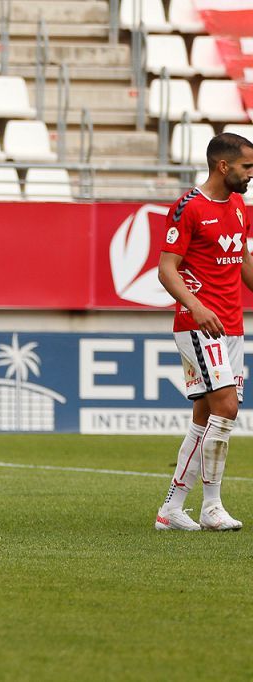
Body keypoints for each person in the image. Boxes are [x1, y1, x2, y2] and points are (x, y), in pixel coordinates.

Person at [154, 132, 253, 532]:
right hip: (198, 325)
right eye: (247, 167)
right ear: (223, 165)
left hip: (231, 325)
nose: (252, 174)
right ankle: (212, 506)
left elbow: (242, 261)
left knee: (206, 415)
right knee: (227, 409)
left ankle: (172, 508)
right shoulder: (188, 208)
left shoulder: (240, 206)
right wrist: (196, 306)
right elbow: (166, 269)